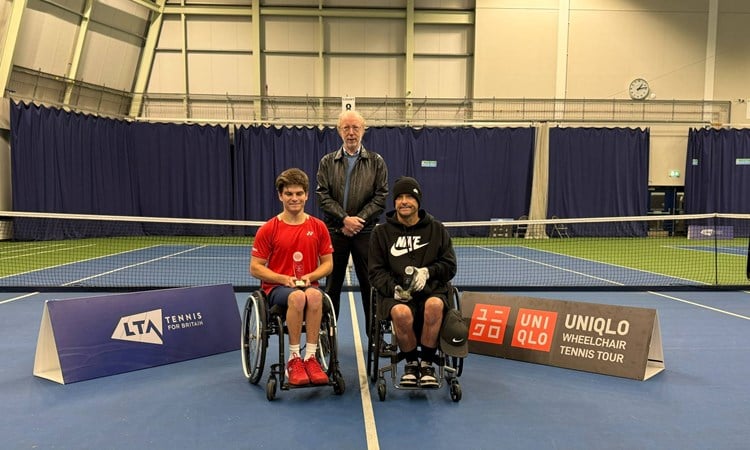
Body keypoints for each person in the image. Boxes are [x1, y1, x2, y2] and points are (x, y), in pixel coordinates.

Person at [368, 176, 457, 387]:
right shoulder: (381, 233)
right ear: (394, 202)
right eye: (399, 197)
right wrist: (393, 289)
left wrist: (428, 272)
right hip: (396, 295)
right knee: (401, 313)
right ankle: (410, 364)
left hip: (431, 291)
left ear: (418, 201)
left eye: (409, 197)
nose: (404, 201)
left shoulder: (437, 229)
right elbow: (375, 271)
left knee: (434, 305)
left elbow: (450, 266)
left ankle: (426, 364)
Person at [250, 168, 334, 386]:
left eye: (299, 193)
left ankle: (311, 357)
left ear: (306, 195)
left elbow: (328, 264)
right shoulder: (269, 229)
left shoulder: (318, 227)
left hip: (308, 285)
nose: (294, 198)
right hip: (277, 289)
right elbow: (256, 268)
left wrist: (311, 276)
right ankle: (294, 359)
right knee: (297, 297)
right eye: (289, 194)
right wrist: (281, 278)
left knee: (315, 297)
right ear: (280, 196)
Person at [316, 110, 389, 329]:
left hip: (366, 234)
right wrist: (345, 219)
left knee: (371, 287)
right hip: (335, 233)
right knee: (331, 287)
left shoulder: (376, 162)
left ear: (363, 130)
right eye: (346, 128)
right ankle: (326, 336)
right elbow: (322, 196)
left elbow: (381, 196)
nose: (351, 133)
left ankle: (374, 338)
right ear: (339, 131)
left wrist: (359, 221)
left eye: (355, 127)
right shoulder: (327, 162)